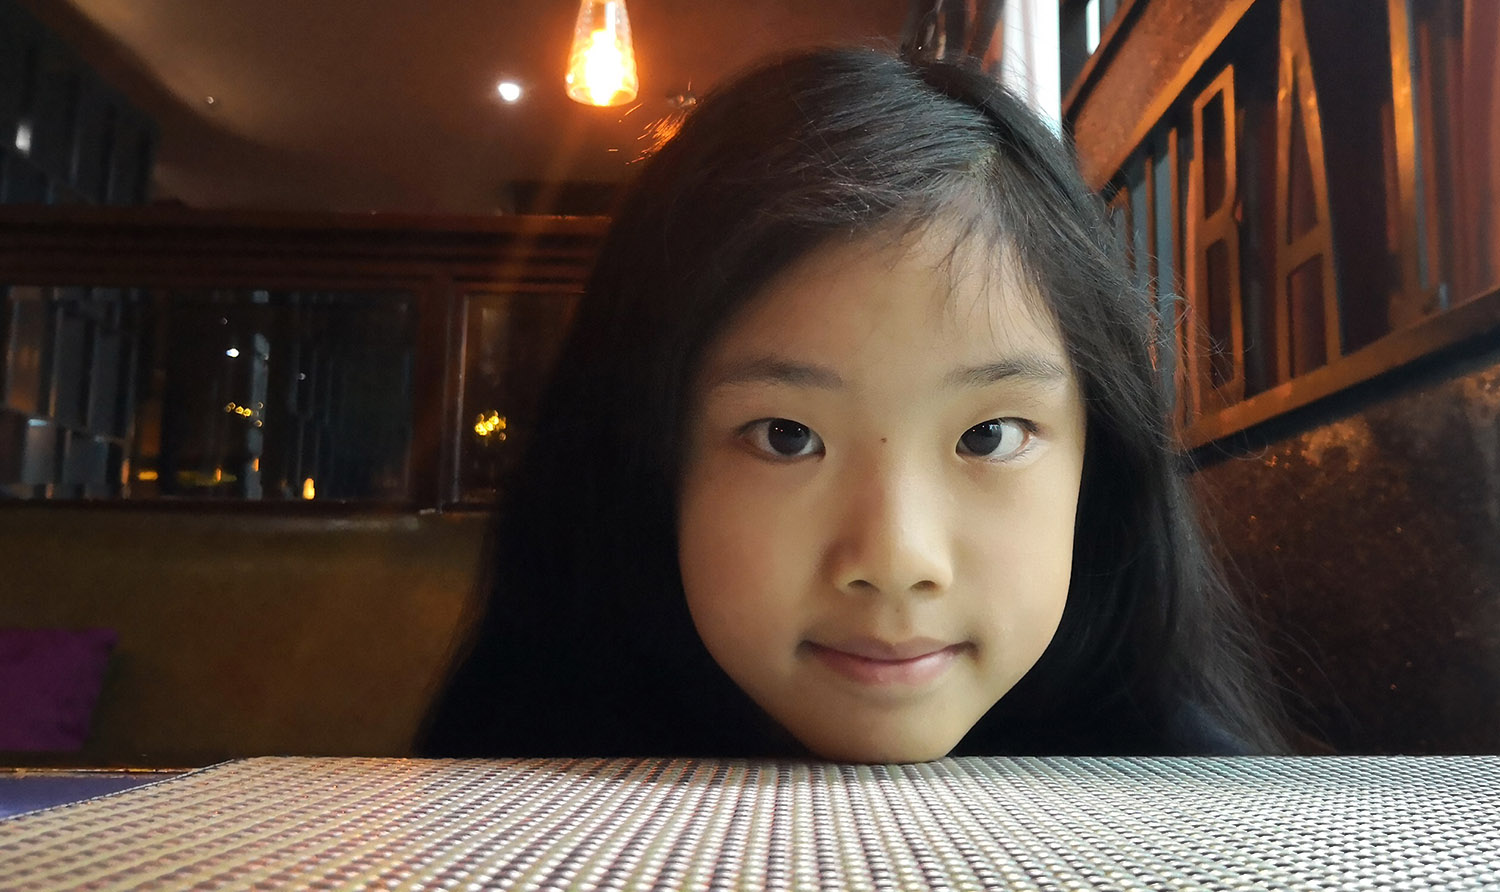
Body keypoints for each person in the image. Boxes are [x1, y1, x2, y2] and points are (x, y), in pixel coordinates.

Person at [423, 46, 1288, 762]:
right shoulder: (501, 809)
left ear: (1098, 471)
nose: (895, 558)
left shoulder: (1201, 812)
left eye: (989, 436)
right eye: (786, 436)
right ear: (642, 463)